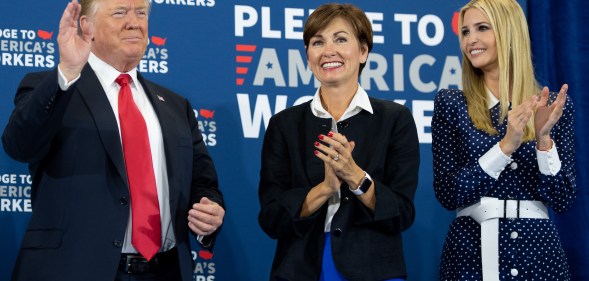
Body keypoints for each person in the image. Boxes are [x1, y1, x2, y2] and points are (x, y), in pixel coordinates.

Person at [2, 0, 225, 280]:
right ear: (87, 26)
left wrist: (209, 213)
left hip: (166, 271)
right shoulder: (55, 88)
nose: (134, 22)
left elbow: (204, 184)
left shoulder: (176, 107)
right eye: (120, 12)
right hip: (74, 269)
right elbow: (19, 145)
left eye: (141, 13)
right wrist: (68, 72)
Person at [258, 3, 420, 281]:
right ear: (308, 57)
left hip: (374, 269)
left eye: (341, 39)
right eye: (317, 42)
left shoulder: (395, 119)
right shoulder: (284, 124)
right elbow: (272, 218)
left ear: (364, 51)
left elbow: (402, 214)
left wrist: (356, 177)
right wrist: (325, 189)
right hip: (300, 269)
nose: (328, 50)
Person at [432, 0, 576, 280]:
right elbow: (448, 193)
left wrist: (544, 140)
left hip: (540, 256)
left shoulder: (555, 107)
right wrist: (505, 146)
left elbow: (562, 199)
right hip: (469, 253)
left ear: (509, 33)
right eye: (465, 32)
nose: (471, 39)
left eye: (482, 28)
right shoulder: (451, 104)